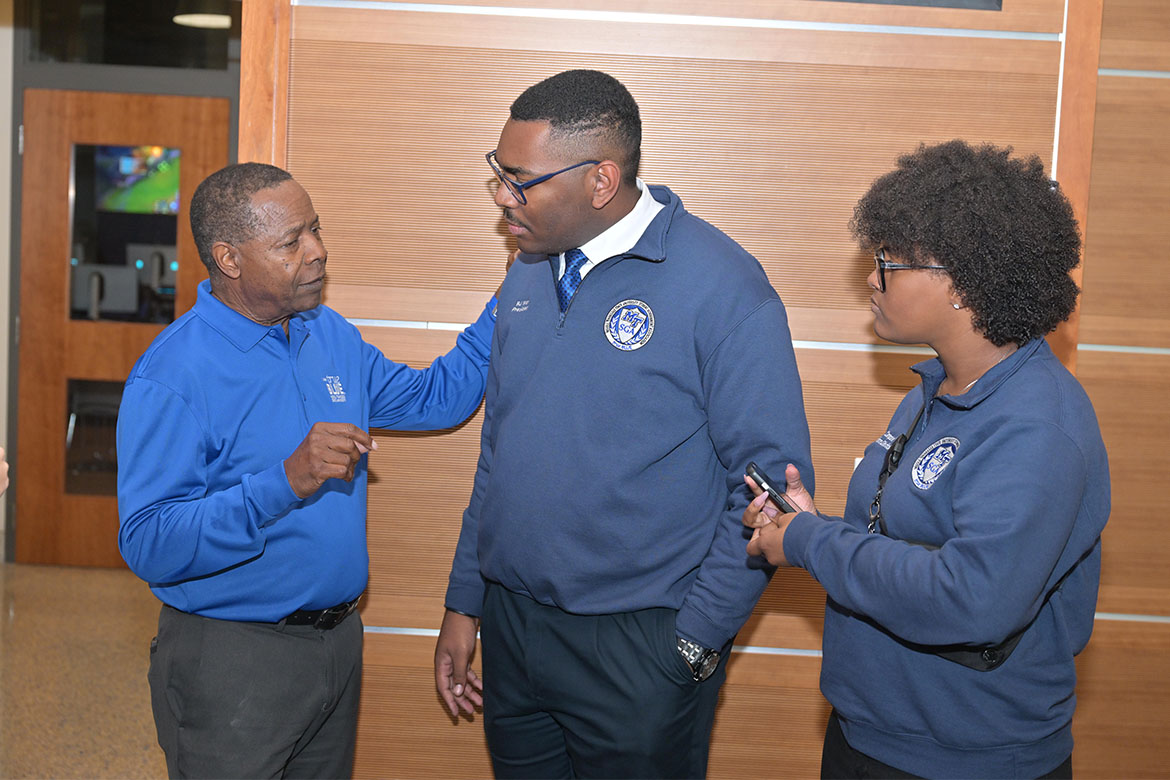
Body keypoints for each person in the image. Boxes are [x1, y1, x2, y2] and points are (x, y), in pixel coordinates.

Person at [434, 69, 813, 778]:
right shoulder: (526, 270)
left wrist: (694, 644)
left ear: (600, 180)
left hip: (640, 648)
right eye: (497, 172)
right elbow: (500, 453)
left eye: (520, 180)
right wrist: (466, 603)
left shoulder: (723, 286)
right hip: (515, 631)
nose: (501, 197)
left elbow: (774, 490)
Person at [743, 140, 1110, 779]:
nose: (870, 278)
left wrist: (810, 541)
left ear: (961, 283)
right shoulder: (935, 390)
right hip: (871, 738)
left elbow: (971, 600)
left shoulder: (1038, 427)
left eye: (888, 262)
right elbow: (906, 542)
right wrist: (813, 522)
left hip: (966, 760)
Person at [117, 162, 496, 779]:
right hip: (232, 659)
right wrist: (283, 481)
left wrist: (510, 302)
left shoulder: (327, 334)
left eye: (315, 230)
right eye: (292, 242)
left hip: (337, 646)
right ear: (230, 259)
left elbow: (436, 400)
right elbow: (149, 544)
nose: (319, 252)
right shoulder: (174, 373)